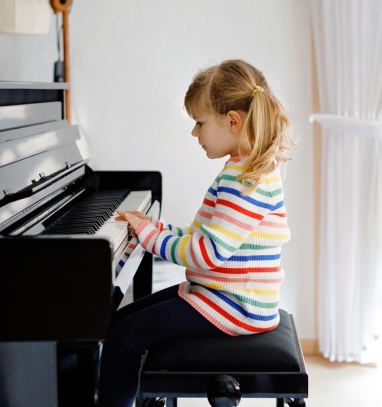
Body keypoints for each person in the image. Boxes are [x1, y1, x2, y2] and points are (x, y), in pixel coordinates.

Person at [97, 59, 296, 407]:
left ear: (232, 121)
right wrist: (156, 228)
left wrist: (150, 237)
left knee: (126, 336)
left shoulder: (244, 181)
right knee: (123, 319)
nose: (194, 133)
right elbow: (201, 234)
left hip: (235, 305)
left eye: (199, 123)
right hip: (224, 293)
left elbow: (206, 252)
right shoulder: (246, 169)